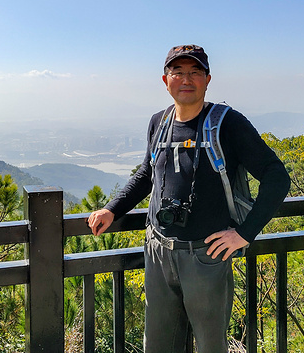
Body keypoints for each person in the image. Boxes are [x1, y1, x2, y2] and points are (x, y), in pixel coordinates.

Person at [87, 44, 291, 352]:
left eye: (195, 72)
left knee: (210, 344)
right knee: (158, 344)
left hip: (205, 255)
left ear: (208, 79)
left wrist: (244, 234)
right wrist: (112, 209)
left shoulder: (228, 124)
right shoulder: (159, 121)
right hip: (157, 251)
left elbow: (276, 177)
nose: (186, 79)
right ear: (165, 80)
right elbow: (147, 174)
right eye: (178, 72)